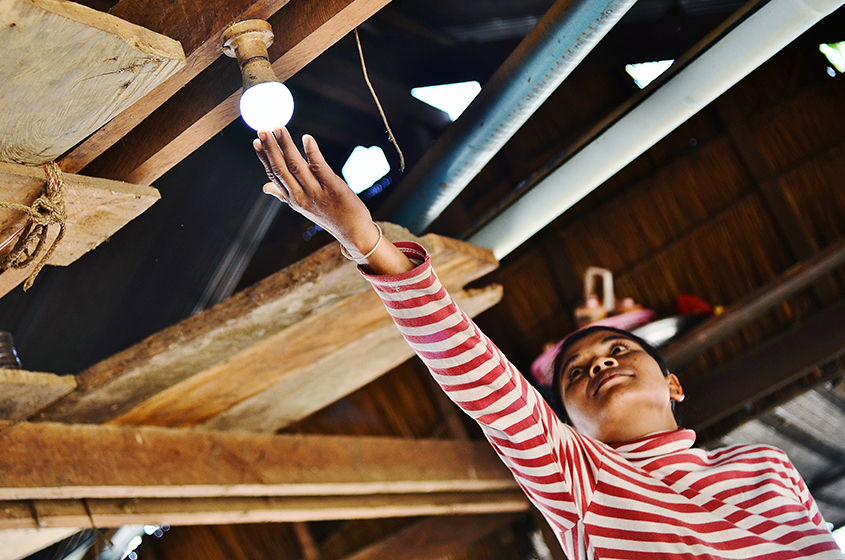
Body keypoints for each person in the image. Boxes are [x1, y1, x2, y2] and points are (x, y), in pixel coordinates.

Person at [252, 128, 843, 559]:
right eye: (577, 374)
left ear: (673, 383)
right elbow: (485, 383)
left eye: (618, 352)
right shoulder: (578, 478)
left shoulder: (768, 465)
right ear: (567, 423)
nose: (600, 366)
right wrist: (365, 243)